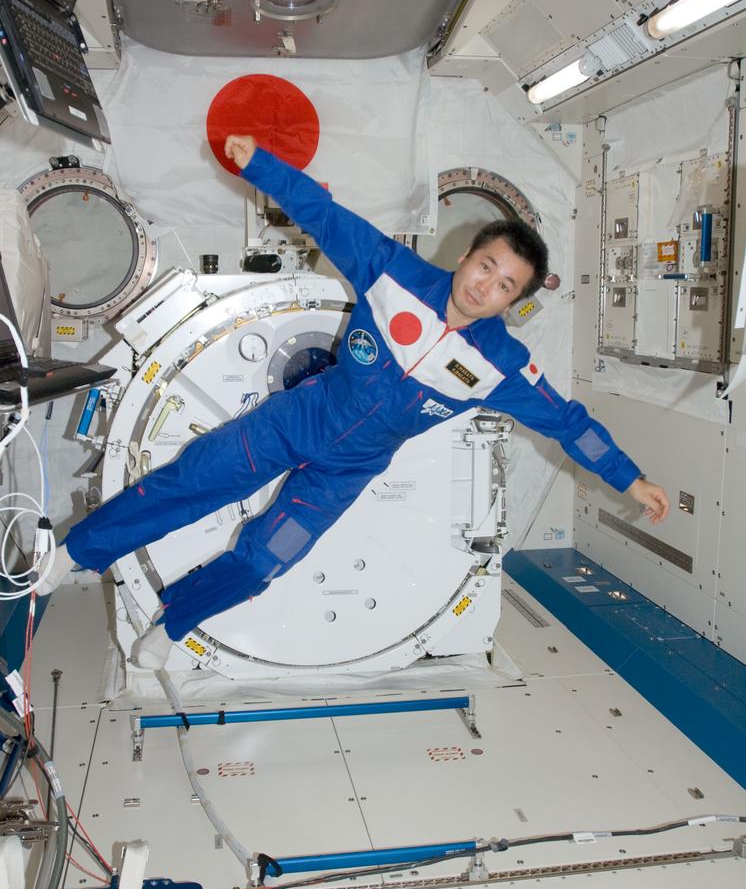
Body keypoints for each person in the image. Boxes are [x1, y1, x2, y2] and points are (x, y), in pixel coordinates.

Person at [39, 134, 669, 664]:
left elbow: (568, 423)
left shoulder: (500, 365)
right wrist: (259, 165)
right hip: (296, 421)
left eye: (505, 286)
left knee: (268, 559)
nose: (486, 287)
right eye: (486, 267)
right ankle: (76, 552)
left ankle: (175, 623)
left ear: (514, 302)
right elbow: (325, 216)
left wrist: (631, 480)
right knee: (192, 481)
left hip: (348, 469)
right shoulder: (393, 273)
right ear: (466, 256)